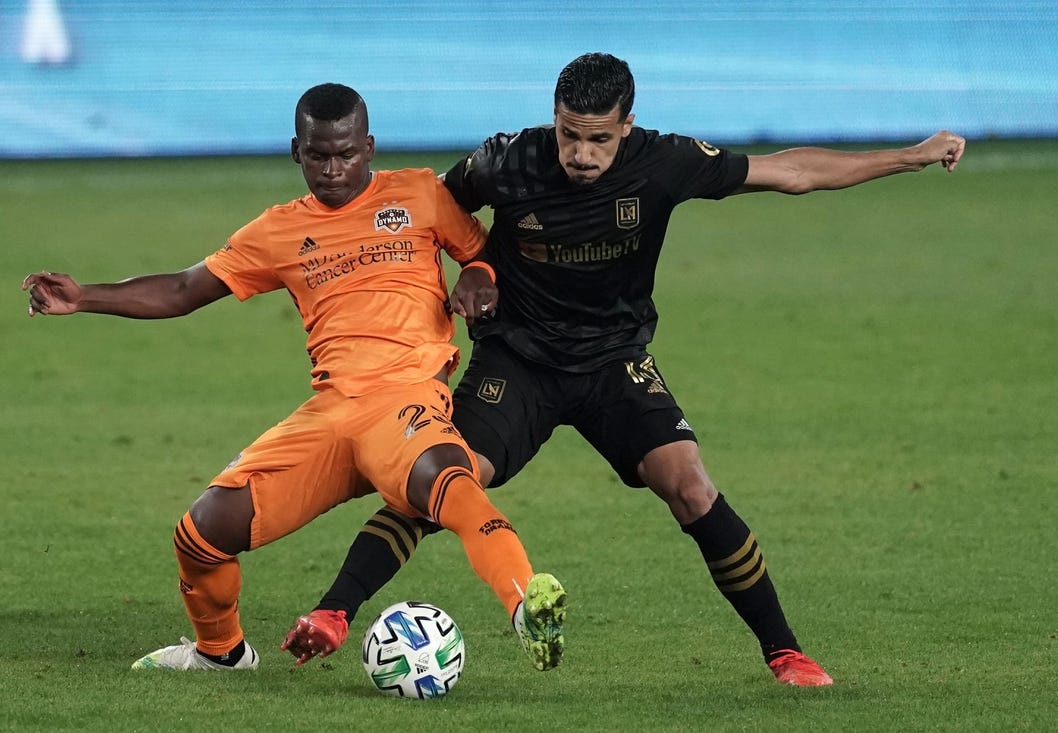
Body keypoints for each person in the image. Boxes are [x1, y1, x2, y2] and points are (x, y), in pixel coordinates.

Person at [282, 54, 967, 686]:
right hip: (519, 360)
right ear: (552, 118)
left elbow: (792, 172)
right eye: (568, 135)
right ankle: (335, 612)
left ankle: (784, 649)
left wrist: (911, 157)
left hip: (614, 361)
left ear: (627, 127)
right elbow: (432, 213)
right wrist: (474, 270)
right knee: (444, 480)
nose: (581, 154)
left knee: (692, 487)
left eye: (599, 139)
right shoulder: (505, 160)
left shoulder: (664, 162)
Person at [21, 82, 567, 673]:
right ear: (295, 152)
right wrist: (85, 298)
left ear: (370, 147)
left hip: (405, 400)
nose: (333, 170)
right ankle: (221, 654)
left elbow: (484, 253)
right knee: (202, 532)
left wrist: (480, 274)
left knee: (449, 482)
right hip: (331, 415)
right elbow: (184, 289)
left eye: (347, 154)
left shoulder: (419, 194)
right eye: (318, 156)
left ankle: (524, 604)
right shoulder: (278, 231)